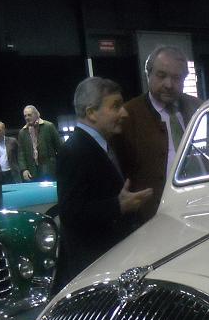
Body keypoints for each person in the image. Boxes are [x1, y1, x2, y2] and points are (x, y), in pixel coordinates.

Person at [54, 77, 153, 291]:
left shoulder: (100, 145)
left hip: (108, 262)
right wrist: (118, 206)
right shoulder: (74, 151)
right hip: (92, 270)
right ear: (91, 112)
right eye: (115, 106)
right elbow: (70, 213)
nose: (124, 113)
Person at [113, 45, 202, 223]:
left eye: (176, 78)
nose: (169, 84)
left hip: (200, 206)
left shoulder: (198, 108)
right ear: (148, 74)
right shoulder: (128, 115)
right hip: (152, 217)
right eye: (161, 76)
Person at [17, 105, 61, 182]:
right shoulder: (22, 132)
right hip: (32, 172)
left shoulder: (48, 126)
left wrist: (60, 165)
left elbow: (59, 147)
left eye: (29, 115)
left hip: (49, 170)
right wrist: (24, 169)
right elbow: (21, 153)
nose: (27, 118)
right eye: (25, 116)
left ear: (36, 114)